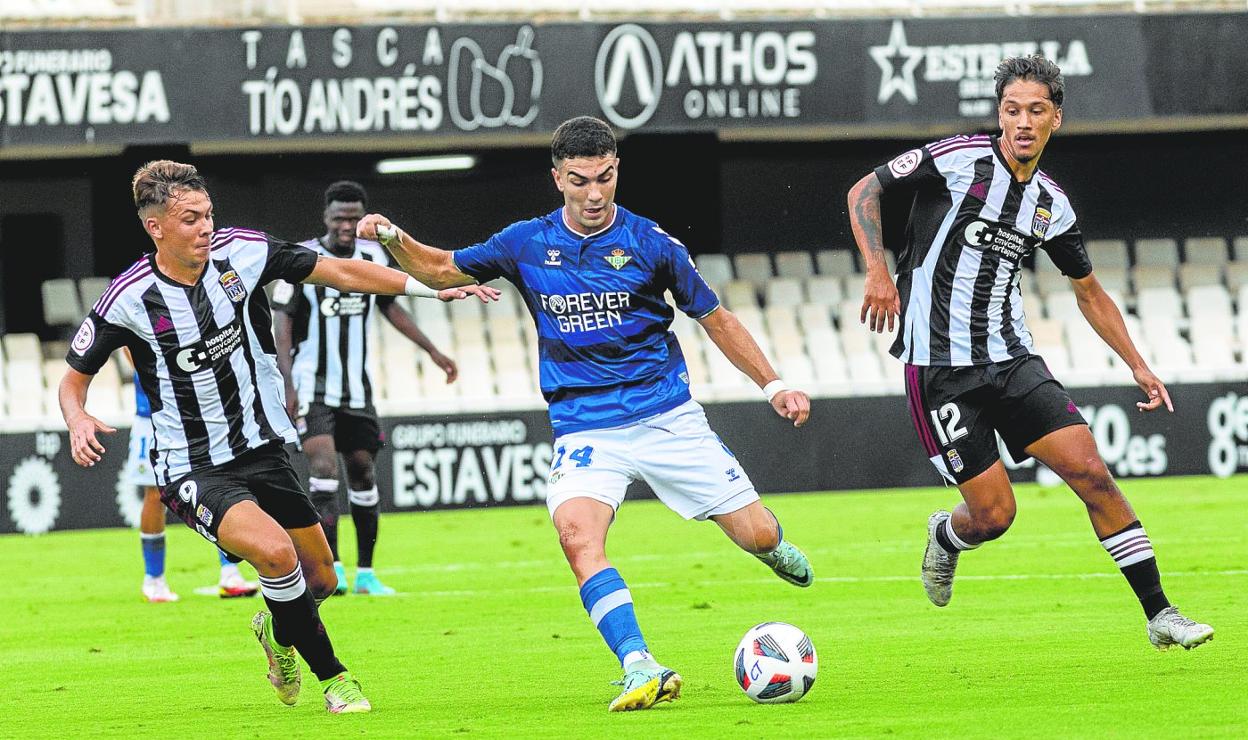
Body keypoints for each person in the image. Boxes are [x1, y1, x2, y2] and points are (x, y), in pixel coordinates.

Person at [357, 116, 815, 712]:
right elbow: (441, 269)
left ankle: (771, 545)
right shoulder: (525, 242)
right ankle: (639, 664)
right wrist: (394, 237)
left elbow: (715, 318)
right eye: (580, 181)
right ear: (557, 179)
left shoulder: (654, 244)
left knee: (756, 533)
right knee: (576, 537)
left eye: (604, 178)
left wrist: (772, 383)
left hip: (667, 417)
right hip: (585, 426)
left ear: (616, 171)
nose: (594, 194)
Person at [60, 160, 497, 713]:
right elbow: (73, 380)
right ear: (157, 228)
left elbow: (340, 272)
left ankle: (277, 629)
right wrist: (77, 417)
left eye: (208, 214)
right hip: (193, 466)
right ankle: (336, 679)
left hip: (264, 448)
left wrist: (427, 289)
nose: (205, 226)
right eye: (191, 219)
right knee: (275, 554)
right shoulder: (127, 298)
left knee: (320, 579)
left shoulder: (243, 252)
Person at [846, 55, 1213, 650]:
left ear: (1055, 120)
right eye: (1012, 110)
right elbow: (865, 189)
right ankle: (948, 537)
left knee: (1092, 472)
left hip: (1013, 360)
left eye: (1035, 111)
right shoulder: (956, 159)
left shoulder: (1051, 205)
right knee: (994, 516)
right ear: (999, 115)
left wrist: (1140, 367)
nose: (1022, 122)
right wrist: (877, 272)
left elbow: (1088, 293)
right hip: (940, 371)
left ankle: (1161, 614)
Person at [273, 180, 458, 597]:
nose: (346, 225)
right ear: (326, 217)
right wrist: (286, 385)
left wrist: (432, 351)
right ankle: (331, 567)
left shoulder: (373, 256)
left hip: (357, 389)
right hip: (312, 385)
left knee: (363, 471)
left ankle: (367, 573)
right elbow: (281, 324)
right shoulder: (303, 258)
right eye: (340, 218)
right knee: (323, 470)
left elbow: (390, 305)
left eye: (354, 218)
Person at [125, 368, 261, 602]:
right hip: (153, 414)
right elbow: (129, 347)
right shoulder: (139, 329)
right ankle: (153, 579)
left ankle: (230, 572)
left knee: (219, 482)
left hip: (196, 410)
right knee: (155, 492)